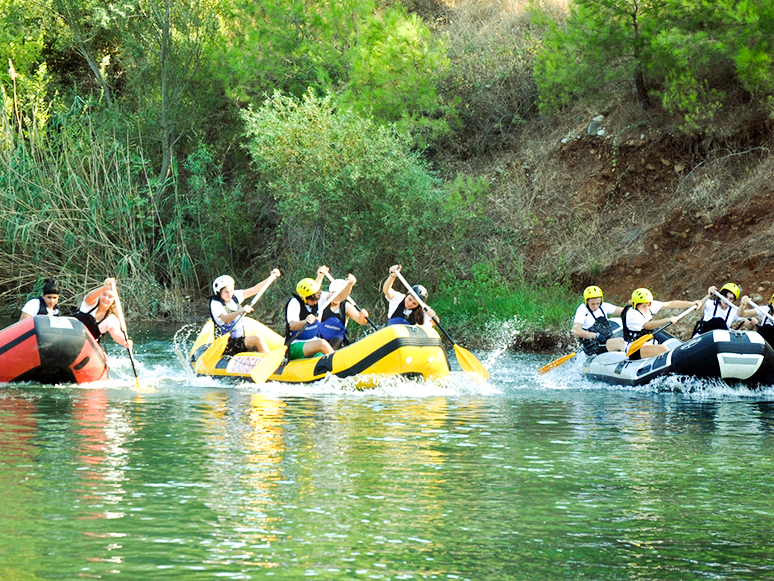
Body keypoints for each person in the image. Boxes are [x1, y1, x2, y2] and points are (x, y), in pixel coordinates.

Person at [209, 269, 280, 357]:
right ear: (219, 292)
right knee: (257, 339)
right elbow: (226, 318)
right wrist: (241, 311)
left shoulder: (234, 296)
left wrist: (271, 278)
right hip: (227, 344)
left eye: (231, 291)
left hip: (239, 340)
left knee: (256, 341)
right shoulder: (215, 303)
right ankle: (270, 360)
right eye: (226, 292)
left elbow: (255, 289)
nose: (230, 294)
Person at [619, 287, 701, 360]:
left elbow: (670, 304)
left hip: (648, 342)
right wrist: (667, 320)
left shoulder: (648, 305)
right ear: (635, 305)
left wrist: (691, 304)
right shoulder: (632, 314)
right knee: (663, 349)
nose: (647, 309)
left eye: (648, 305)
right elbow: (648, 325)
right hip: (634, 348)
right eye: (643, 306)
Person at [285, 266, 337, 360]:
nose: (316, 302)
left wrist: (320, 276)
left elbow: (336, 297)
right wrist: (305, 322)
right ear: (304, 298)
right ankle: (341, 362)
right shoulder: (294, 303)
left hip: (313, 345)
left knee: (322, 356)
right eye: (313, 300)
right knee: (322, 344)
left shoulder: (315, 300)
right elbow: (292, 325)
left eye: (317, 299)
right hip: (295, 345)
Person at [74, 277, 132, 349]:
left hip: (88, 348)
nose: (106, 299)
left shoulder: (111, 319)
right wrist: (104, 288)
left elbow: (116, 333)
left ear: (114, 300)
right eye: (104, 295)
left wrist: (125, 342)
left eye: (110, 297)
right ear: (100, 294)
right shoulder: (90, 304)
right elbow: (88, 297)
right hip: (73, 337)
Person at [572, 285, 625, 356]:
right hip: (593, 346)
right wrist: (595, 335)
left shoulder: (604, 306)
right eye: (592, 304)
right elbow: (576, 331)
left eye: (598, 303)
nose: (596, 307)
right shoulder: (582, 309)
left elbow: (623, 311)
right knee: (621, 342)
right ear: (587, 301)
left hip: (605, 342)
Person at [320, 275, 369, 350]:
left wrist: (363, 316)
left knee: (336, 341)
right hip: (322, 338)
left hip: (337, 341)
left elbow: (361, 321)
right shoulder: (323, 303)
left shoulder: (347, 306)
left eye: (338, 295)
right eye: (334, 294)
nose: (336, 298)